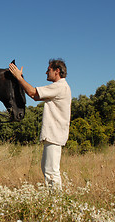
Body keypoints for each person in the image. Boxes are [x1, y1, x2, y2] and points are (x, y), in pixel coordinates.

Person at [9, 59, 71, 190]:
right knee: (47, 169)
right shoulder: (61, 87)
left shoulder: (59, 86)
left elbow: (33, 93)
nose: (46, 72)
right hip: (54, 135)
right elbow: (36, 96)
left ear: (57, 71)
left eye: (48, 70)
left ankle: (56, 203)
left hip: (55, 134)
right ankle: (54, 201)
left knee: (51, 172)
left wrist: (19, 78)